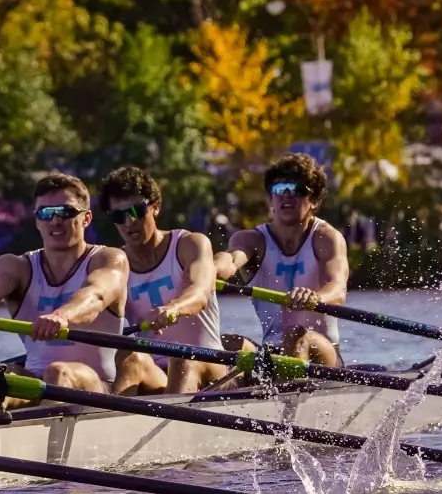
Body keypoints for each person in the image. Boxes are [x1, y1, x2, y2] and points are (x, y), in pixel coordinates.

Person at [0, 173, 128, 393]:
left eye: (66, 212)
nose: (55, 220)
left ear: (86, 218)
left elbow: (96, 295)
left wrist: (61, 317)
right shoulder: (15, 266)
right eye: (46, 213)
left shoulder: (108, 259)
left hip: (98, 387)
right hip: (37, 382)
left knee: (58, 372)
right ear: (38, 220)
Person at [99, 167, 228, 395]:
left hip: (209, 365)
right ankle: (113, 426)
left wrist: (173, 309)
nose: (129, 222)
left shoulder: (190, 244)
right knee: (129, 357)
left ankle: (173, 427)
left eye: (136, 211)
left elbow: (200, 292)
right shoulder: (115, 264)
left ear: (155, 206)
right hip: (157, 373)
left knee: (182, 358)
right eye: (119, 216)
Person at [214, 153, 349, 366]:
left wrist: (315, 297)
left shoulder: (326, 238)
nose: (286, 195)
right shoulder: (251, 240)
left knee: (295, 333)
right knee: (225, 343)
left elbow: (338, 288)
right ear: (271, 200)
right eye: (279, 189)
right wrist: (209, 270)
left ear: (314, 201)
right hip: (271, 353)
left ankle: (283, 396)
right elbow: (230, 261)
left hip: (322, 353)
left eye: (297, 190)